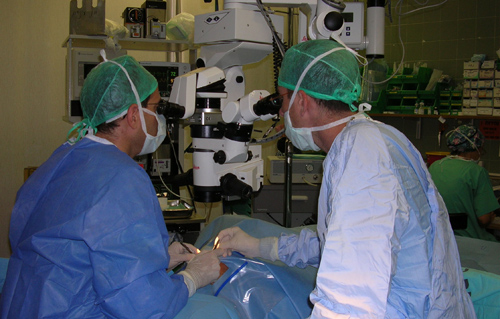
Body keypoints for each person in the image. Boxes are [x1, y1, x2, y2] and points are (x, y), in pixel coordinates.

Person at [217, 40, 476, 318]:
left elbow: (350, 295)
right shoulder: (374, 138)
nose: (280, 113)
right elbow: (338, 241)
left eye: (282, 101)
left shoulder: (362, 155)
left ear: (302, 101)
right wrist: (260, 246)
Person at [0, 53, 222, 318]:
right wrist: (193, 277)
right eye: (156, 108)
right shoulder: (122, 177)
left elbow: (66, 248)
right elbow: (143, 305)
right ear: (132, 116)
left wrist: (158, 259)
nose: (159, 119)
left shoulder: (64, 157)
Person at [429, 125, 499, 242]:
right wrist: (490, 217)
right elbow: (484, 219)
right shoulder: (477, 172)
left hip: (440, 239)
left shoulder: (435, 166)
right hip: (471, 242)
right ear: (476, 148)